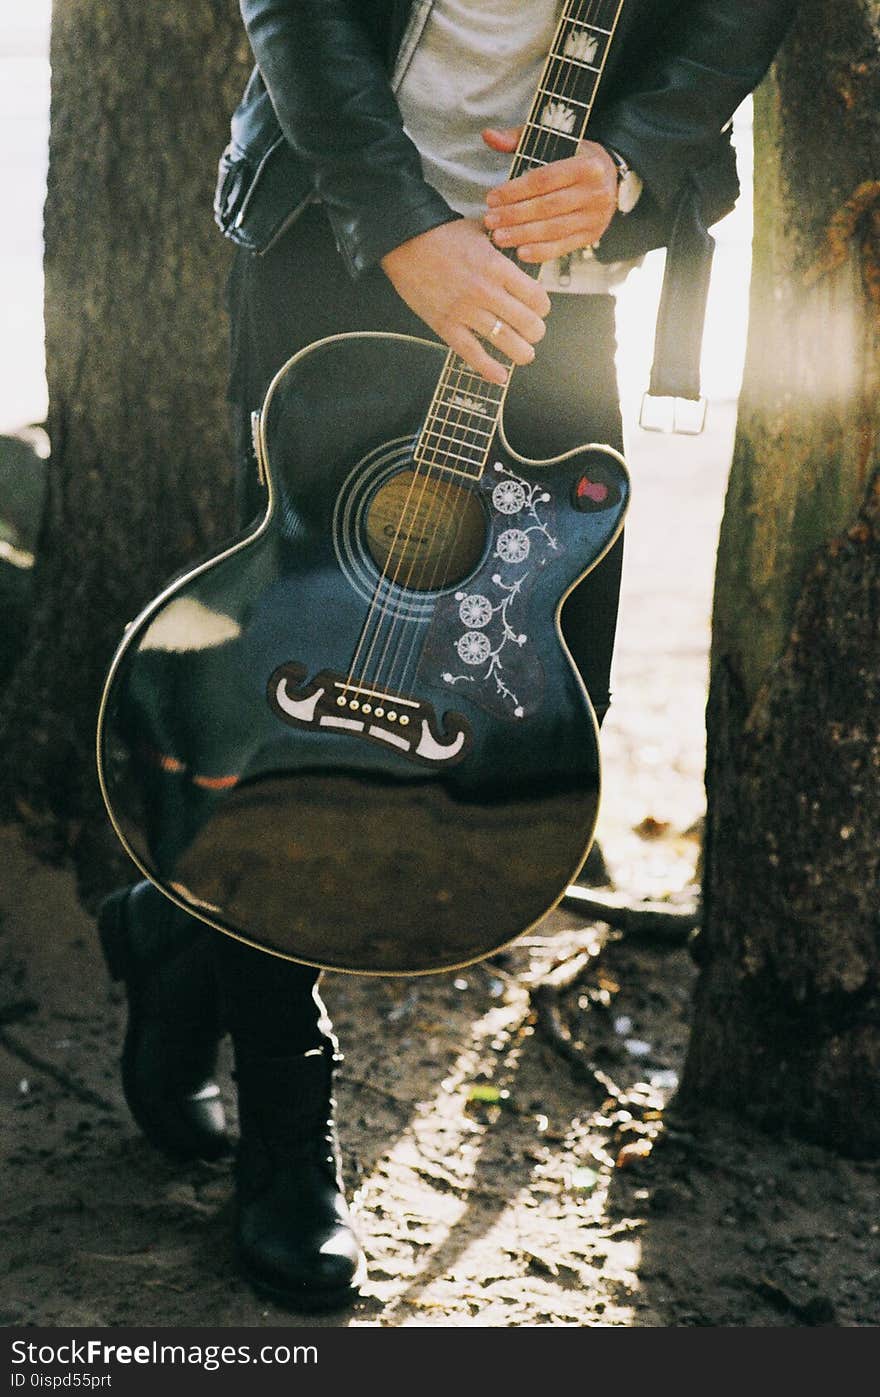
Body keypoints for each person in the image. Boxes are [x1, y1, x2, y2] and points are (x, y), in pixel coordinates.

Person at [99, 0, 798, 1312]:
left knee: (532, 708)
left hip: (565, 280)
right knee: (302, 682)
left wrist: (632, 162)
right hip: (342, 235)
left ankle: (174, 927)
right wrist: (402, 225)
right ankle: (288, 1120)